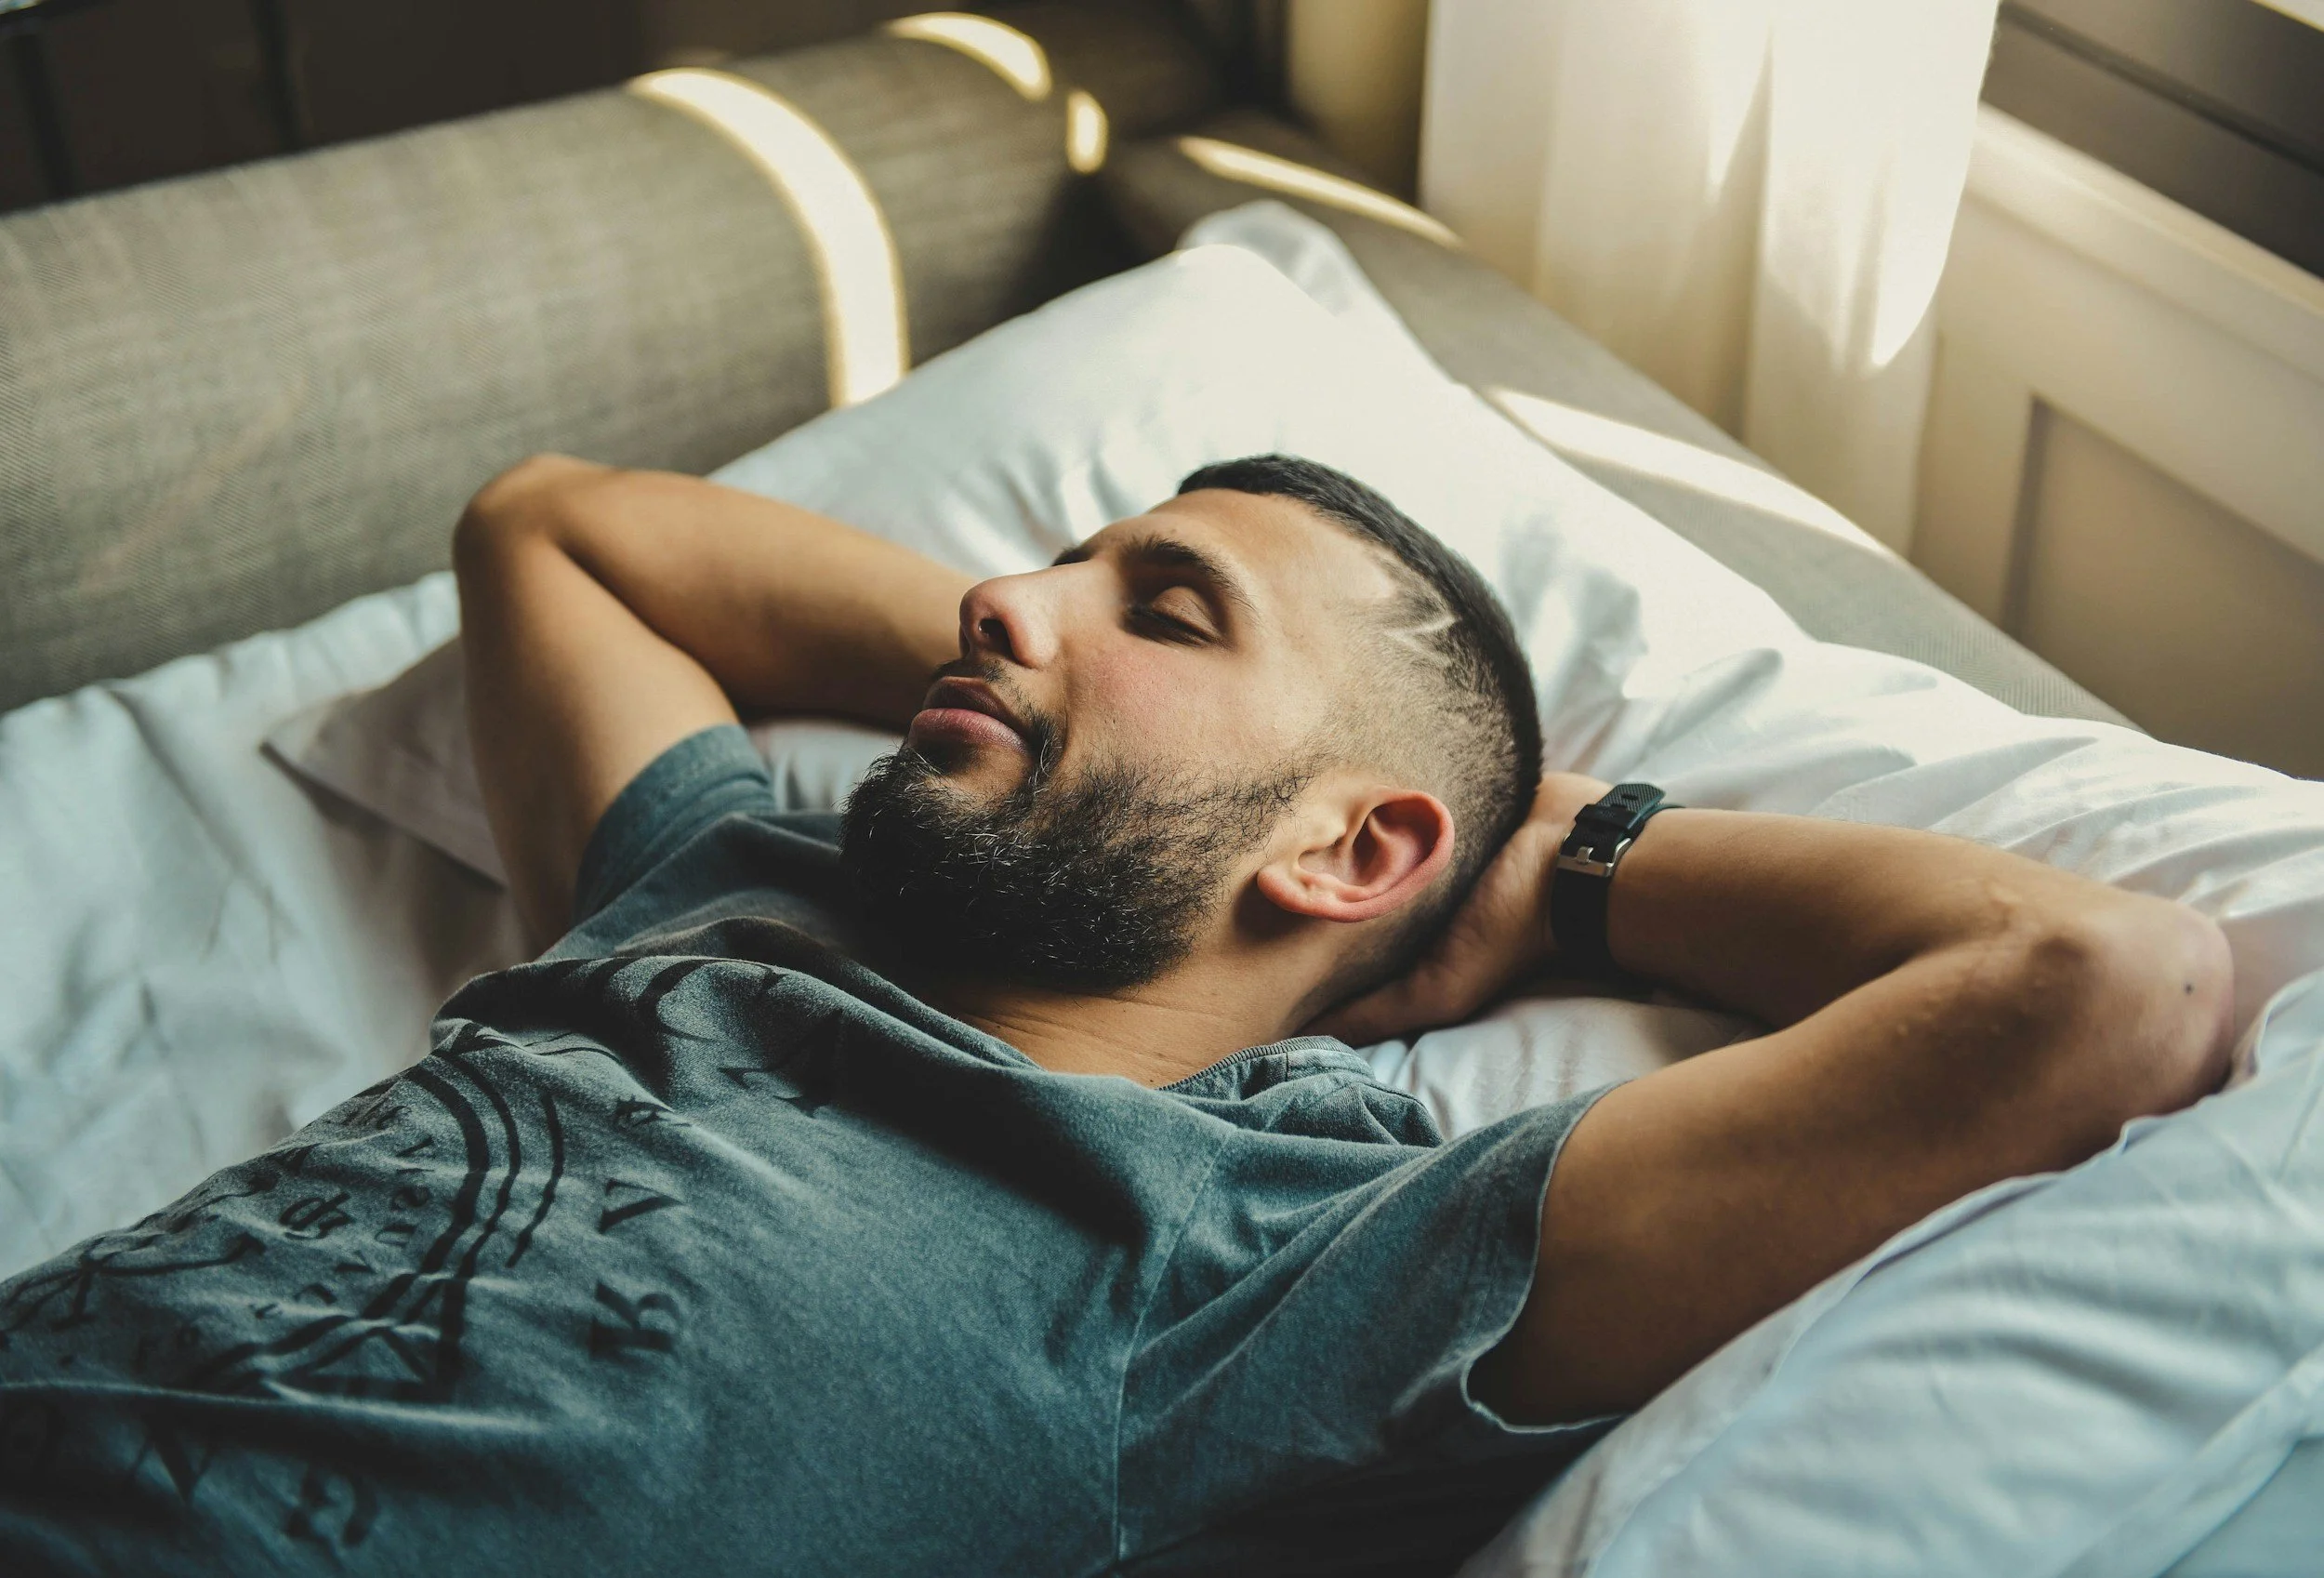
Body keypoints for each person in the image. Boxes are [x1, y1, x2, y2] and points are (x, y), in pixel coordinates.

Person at [0, 454, 2231, 1575]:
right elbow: (556, 529)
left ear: (1351, 853)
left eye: (1159, 601)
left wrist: (1544, 859)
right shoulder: (721, 887)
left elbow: (2100, 981)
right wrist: (1041, 681)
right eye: (1054, 561)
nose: (997, 592)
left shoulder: (1271, 1257)